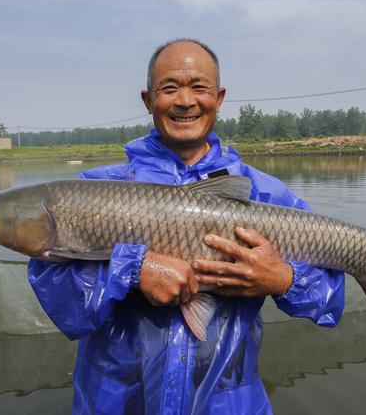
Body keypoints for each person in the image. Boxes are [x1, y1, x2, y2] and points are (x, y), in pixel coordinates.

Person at [28, 38, 345, 414]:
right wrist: (132, 269)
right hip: (116, 402)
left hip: (229, 404)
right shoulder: (91, 191)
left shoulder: (265, 194)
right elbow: (61, 300)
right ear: (148, 100)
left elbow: (329, 301)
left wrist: (283, 279)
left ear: (219, 97)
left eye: (199, 87)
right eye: (169, 88)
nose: (185, 100)